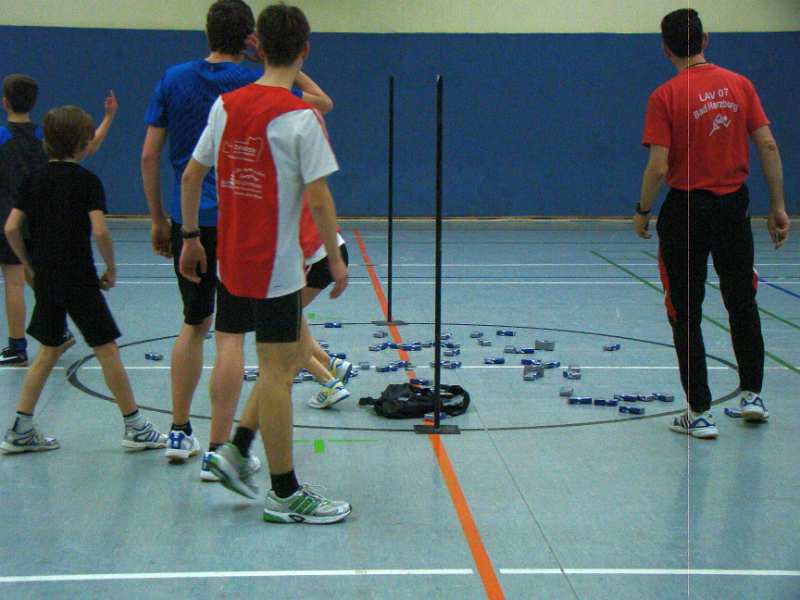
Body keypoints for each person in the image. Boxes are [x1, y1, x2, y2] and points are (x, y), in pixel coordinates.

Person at [140, 0, 332, 476]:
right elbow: (320, 101)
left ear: (207, 33)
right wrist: (276, 55)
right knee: (234, 339)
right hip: (239, 222)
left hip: (189, 221)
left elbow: (150, 155)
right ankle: (220, 450)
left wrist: (162, 219)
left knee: (193, 325)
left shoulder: (174, 78)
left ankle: (179, 429)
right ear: (250, 40)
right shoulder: (255, 84)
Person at [180, 3, 351, 524]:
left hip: (230, 262)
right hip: (275, 266)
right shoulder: (301, 117)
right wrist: (336, 262)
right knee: (279, 371)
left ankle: (236, 449)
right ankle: (284, 492)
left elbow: (191, 176)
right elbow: (319, 198)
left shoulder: (226, 105)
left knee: (288, 356)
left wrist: (190, 238)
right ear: (305, 51)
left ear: (259, 48)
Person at [633, 9, 791, 439]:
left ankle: (700, 412)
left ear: (666, 50)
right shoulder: (741, 85)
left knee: (685, 311)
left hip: (686, 210)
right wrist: (778, 205)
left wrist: (643, 209)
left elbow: (658, 167)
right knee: (742, 301)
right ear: (706, 39)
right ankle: (752, 396)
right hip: (734, 208)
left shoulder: (664, 96)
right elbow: (768, 146)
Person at [1, 106, 167, 454]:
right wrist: (111, 267)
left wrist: (28, 264)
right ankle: (136, 427)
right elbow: (101, 231)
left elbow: (12, 227)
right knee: (107, 349)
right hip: (78, 278)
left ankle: (21, 429)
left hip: (47, 278)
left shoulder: (33, 179)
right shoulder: (87, 181)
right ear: (83, 143)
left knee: (48, 351)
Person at [1, 74, 117, 366]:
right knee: (40, 277)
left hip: (11, 215)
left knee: (15, 281)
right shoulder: (45, 134)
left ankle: (17, 347)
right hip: (42, 220)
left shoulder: (2, 136)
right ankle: (58, 331)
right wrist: (108, 117)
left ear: (5, 102)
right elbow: (90, 145)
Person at [299, 200, 354, 409]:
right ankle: (330, 364)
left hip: (320, 258)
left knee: (280, 325)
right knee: (289, 316)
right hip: (332, 250)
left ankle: (329, 383)